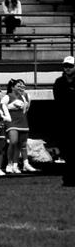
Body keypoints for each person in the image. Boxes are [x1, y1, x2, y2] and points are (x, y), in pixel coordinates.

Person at [2, 77, 35, 174]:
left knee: (21, 145)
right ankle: (9, 164)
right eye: (18, 86)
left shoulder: (24, 96)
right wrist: (10, 106)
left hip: (23, 121)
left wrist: (23, 105)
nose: (21, 87)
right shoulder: (7, 96)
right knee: (13, 141)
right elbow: (0, 108)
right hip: (12, 122)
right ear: (13, 87)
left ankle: (16, 165)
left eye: (22, 86)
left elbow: (26, 109)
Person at [52, 55, 75, 187]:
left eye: (70, 66)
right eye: (66, 66)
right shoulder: (59, 82)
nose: (67, 68)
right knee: (66, 151)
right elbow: (59, 101)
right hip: (64, 122)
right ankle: (68, 178)